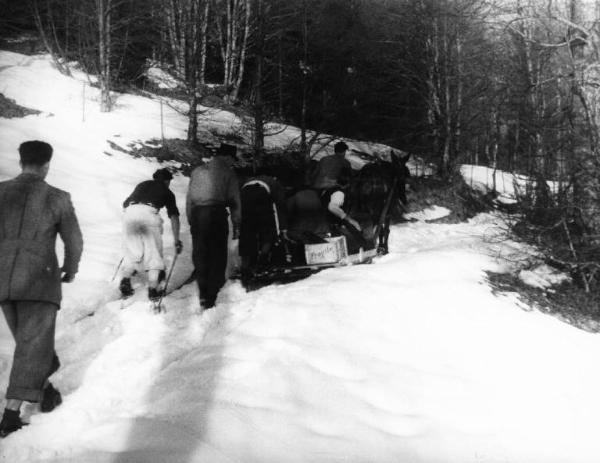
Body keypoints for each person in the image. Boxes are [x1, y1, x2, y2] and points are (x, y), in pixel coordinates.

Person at [0, 140, 83, 437]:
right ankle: (10, 414)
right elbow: (74, 241)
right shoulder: (57, 197)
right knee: (33, 346)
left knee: (30, 345)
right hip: (38, 280)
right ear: (47, 165)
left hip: (4, 282)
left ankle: (46, 389)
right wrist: (70, 269)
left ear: (21, 161)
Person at [186, 143, 241, 310]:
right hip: (216, 214)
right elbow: (234, 200)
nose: (232, 163)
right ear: (227, 157)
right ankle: (212, 295)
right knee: (217, 255)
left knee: (201, 254)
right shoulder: (228, 173)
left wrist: (191, 221)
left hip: (197, 215)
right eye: (232, 159)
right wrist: (237, 224)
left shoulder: (197, 171)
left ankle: (203, 294)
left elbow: (189, 200)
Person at [119, 168, 182, 301]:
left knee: (132, 251)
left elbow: (125, 204)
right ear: (167, 181)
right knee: (153, 254)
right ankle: (153, 289)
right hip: (149, 214)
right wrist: (177, 240)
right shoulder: (167, 191)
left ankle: (125, 280)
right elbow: (174, 216)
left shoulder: (142, 185)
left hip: (129, 214)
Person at [239, 172, 288, 283]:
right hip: (262, 197)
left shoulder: (246, 180)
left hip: (244, 198)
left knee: (247, 234)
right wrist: (283, 229)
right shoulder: (275, 182)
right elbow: (281, 206)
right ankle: (262, 261)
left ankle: (245, 266)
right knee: (268, 232)